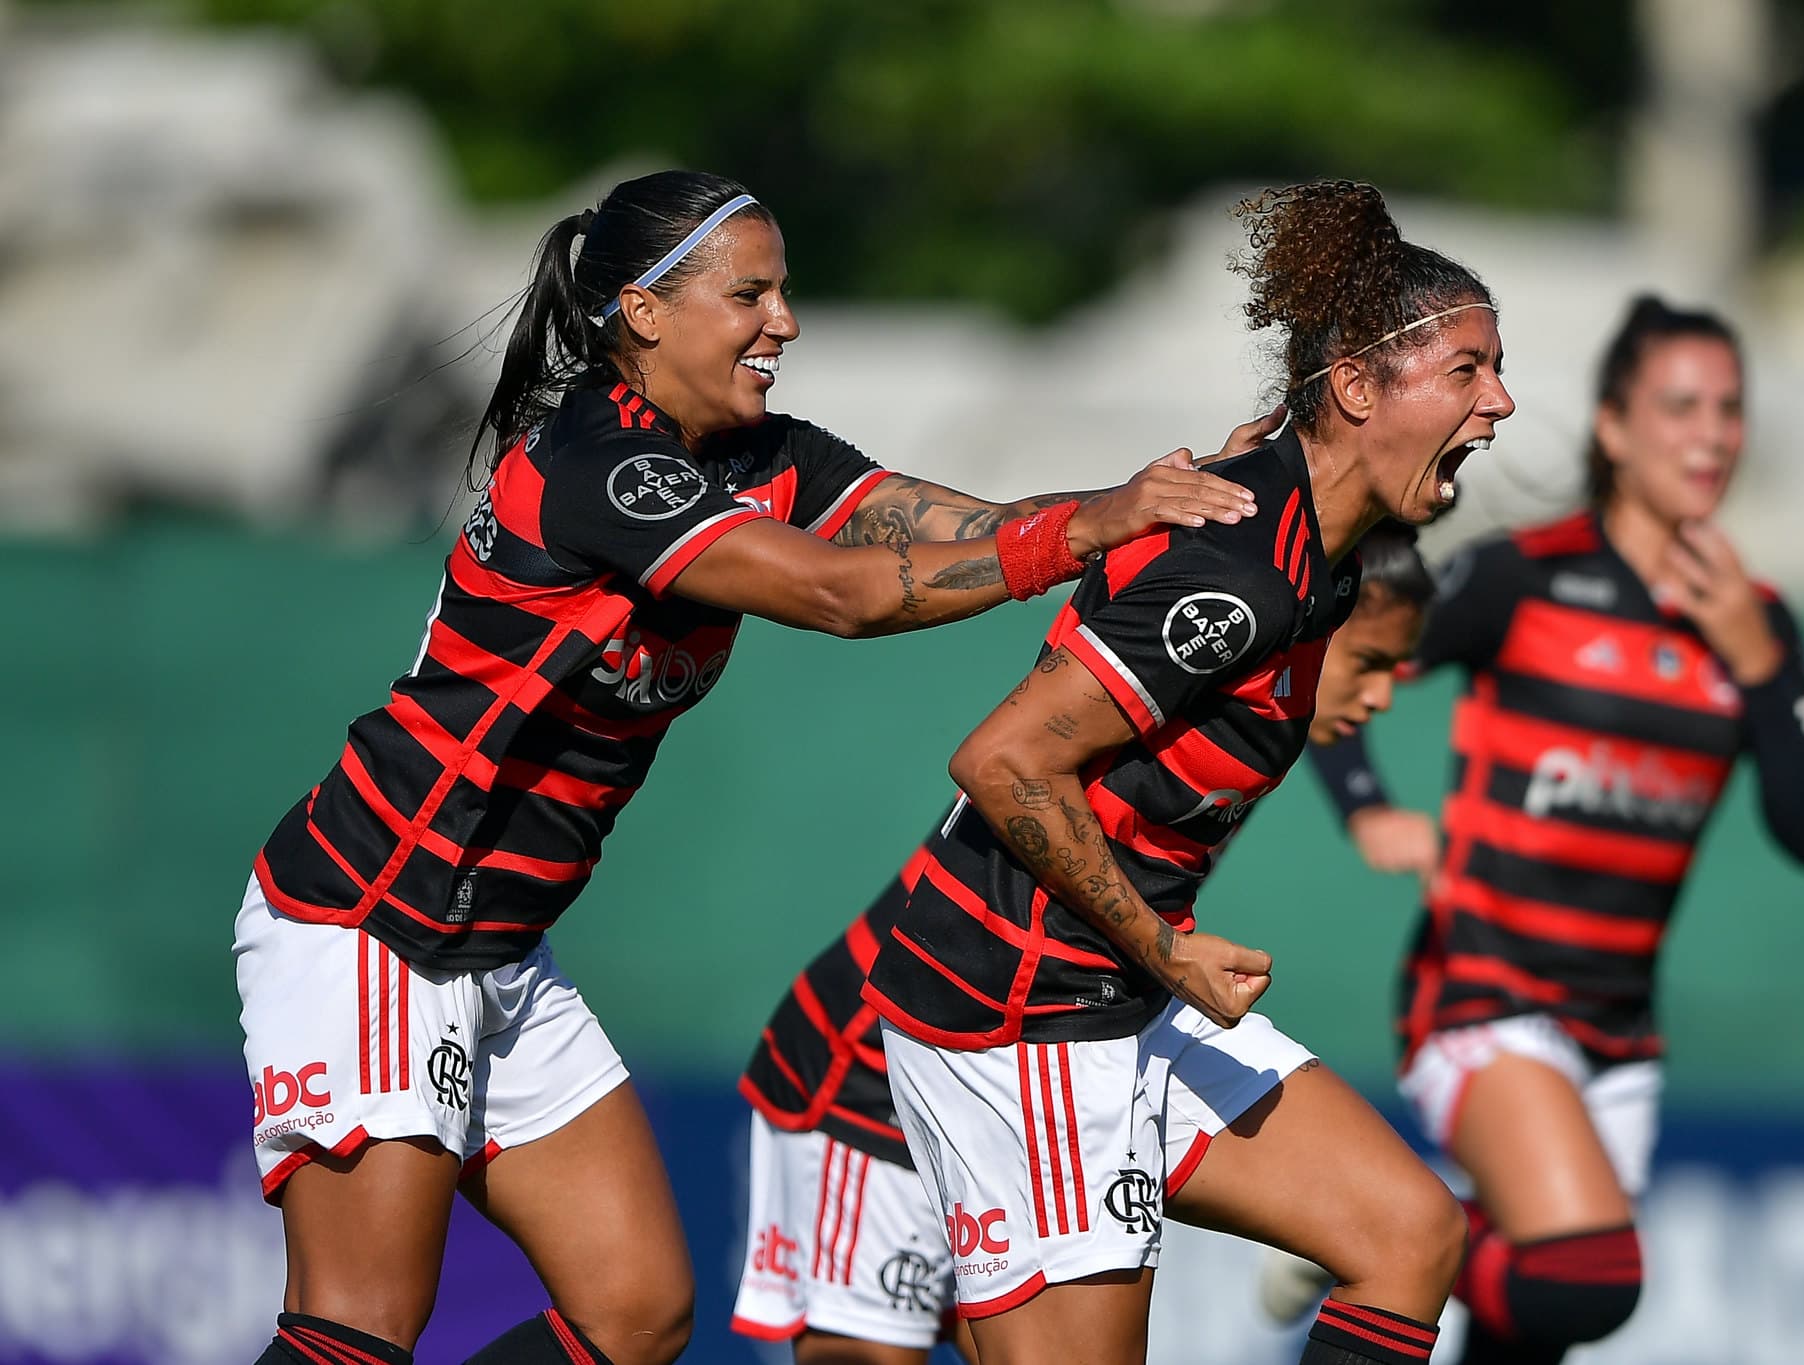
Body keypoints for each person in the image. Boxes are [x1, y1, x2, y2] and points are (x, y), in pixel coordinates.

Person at [234, 168, 1273, 1365]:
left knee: (634, 1317)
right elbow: (837, 593)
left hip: (496, 943)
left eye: (782, 292)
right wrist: (1085, 529)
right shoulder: (600, 463)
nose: (783, 321)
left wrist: (1155, 507)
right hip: (377, 914)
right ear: (642, 311)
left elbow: (964, 525)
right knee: (357, 1325)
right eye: (749, 295)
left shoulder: (763, 453)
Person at [858, 178, 1516, 1365]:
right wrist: (1165, 952)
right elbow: (1003, 761)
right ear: (1356, 389)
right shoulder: (1243, 574)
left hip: (1114, 988)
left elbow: (1273, 446)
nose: (1500, 401)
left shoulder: (1306, 524)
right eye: (1466, 371)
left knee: (1406, 1233)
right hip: (1020, 1009)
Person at [1269, 295, 1804, 1364]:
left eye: (1728, 409)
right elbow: (1335, 656)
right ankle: (1399, 1231)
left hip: (1617, 1030)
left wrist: (1757, 663)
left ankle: (1414, 1231)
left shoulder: (1754, 620)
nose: (1711, 435)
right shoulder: (1525, 576)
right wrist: (1367, 807)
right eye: (1680, 406)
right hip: (1485, 994)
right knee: (1585, 1277)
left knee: (1528, 1328)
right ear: (1614, 427)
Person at [732, 522, 1438, 1365]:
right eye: (1369, 662)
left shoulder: (1239, 739)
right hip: (878, 1061)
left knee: (1408, 1228)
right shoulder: (1172, 682)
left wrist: (1363, 803)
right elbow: (1003, 783)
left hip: (1057, 1041)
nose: (1382, 695)